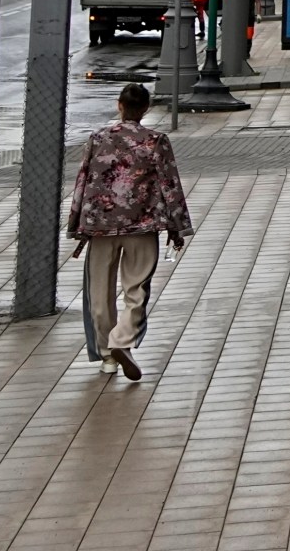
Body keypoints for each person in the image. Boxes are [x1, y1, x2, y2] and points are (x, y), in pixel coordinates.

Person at [66, 82, 193, 381]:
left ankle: (108, 356)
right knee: (136, 290)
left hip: (101, 225)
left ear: (119, 105)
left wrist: (77, 225)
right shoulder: (155, 141)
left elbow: (83, 180)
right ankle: (122, 340)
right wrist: (177, 227)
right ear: (146, 109)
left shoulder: (98, 139)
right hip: (142, 224)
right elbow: (169, 185)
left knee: (99, 293)